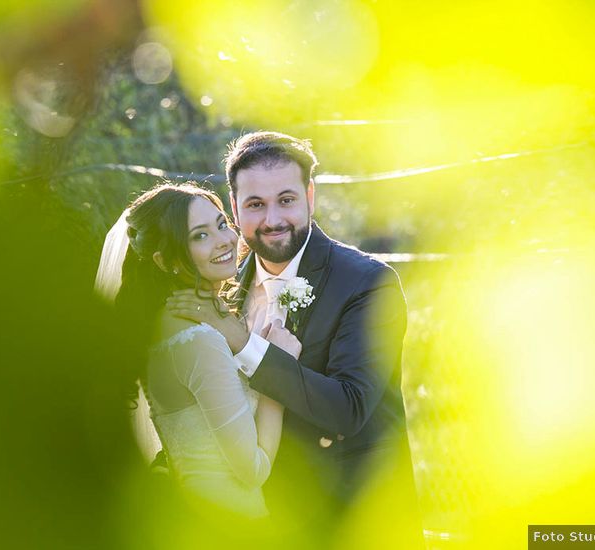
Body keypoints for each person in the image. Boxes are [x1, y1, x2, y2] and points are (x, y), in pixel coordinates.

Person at [166, 132, 423, 543]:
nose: (272, 220)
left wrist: (243, 342)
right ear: (235, 207)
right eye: (255, 204)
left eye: (286, 200)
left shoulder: (368, 283)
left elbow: (347, 409)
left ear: (309, 197)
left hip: (350, 523)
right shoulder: (221, 288)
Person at [94, 183, 288, 518]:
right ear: (165, 260)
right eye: (200, 236)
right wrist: (279, 372)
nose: (224, 240)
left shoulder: (165, 323)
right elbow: (253, 469)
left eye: (221, 224)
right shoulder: (198, 340)